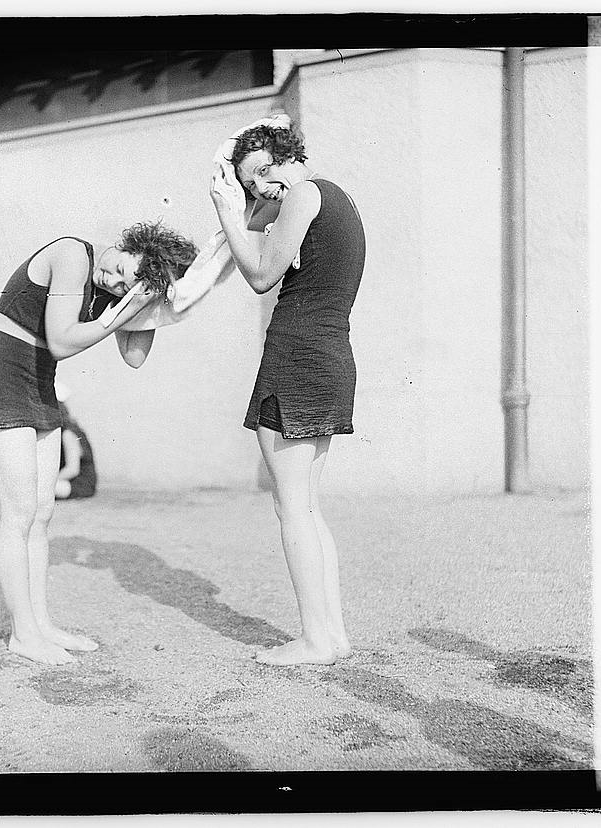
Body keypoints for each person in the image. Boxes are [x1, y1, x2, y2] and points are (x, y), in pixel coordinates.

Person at [0, 223, 198, 665]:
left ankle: (40, 624)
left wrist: (155, 306)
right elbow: (63, 340)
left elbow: (134, 355)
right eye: (122, 268)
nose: (115, 281)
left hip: (39, 382)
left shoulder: (119, 289)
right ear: (128, 245)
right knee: (18, 513)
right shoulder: (73, 255)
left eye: (127, 284)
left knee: (42, 514)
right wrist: (121, 309)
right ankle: (22, 634)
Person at [210, 121, 366, 666]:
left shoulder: (303, 194)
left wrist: (228, 210)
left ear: (281, 157)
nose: (261, 190)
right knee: (306, 505)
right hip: (328, 357)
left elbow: (258, 273)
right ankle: (332, 634)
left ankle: (315, 639)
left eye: (261, 173)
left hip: (297, 356)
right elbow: (259, 218)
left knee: (292, 507)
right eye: (251, 184)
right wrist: (244, 185)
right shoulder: (333, 197)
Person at [55, 402, 97, 500]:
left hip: (79, 483)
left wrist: (49, 483)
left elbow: (72, 470)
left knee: (41, 490)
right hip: (69, 481)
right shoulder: (69, 432)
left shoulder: (68, 434)